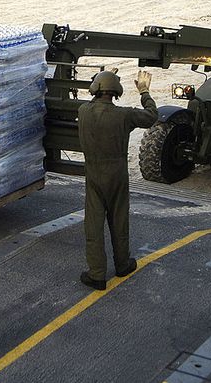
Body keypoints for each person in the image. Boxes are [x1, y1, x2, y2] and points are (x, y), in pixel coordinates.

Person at [78, 69, 159, 290]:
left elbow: (92, 100)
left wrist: (101, 77)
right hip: (117, 175)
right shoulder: (124, 114)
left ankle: (97, 275)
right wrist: (144, 91)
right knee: (119, 220)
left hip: (93, 174)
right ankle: (123, 265)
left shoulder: (83, 111)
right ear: (116, 92)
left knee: (93, 225)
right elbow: (152, 116)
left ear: (95, 89)